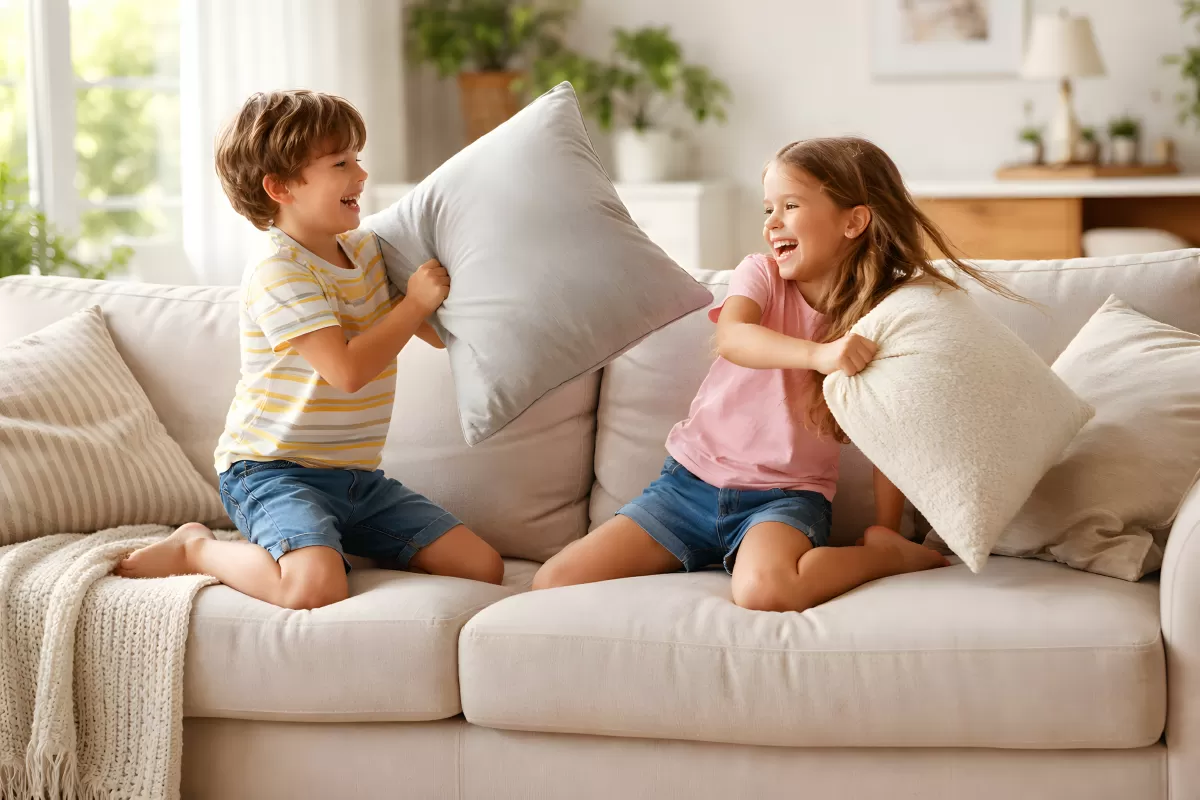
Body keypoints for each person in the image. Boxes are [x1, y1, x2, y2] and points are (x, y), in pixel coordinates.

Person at [534, 136, 1018, 612]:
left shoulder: (881, 317)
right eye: (768, 209)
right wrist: (820, 355)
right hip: (686, 487)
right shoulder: (760, 276)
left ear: (854, 222)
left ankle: (884, 558)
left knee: (767, 592)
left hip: (784, 501)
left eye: (790, 205)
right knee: (552, 581)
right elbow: (734, 338)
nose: (772, 224)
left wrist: (889, 530)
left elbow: (886, 431)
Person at [117, 90, 503, 607]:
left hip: (355, 480)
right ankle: (197, 549)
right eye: (340, 163)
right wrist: (412, 304)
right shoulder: (279, 271)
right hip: (270, 472)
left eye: (357, 158)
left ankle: (325, 540)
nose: (361, 175)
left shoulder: (368, 253)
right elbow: (346, 371)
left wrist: (441, 301)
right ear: (279, 187)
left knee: (483, 566)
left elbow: (434, 336)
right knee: (313, 590)